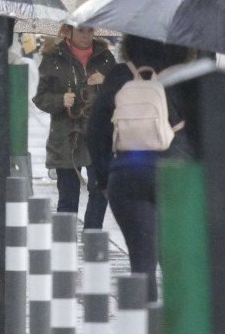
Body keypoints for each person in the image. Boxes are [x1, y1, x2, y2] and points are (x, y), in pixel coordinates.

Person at [86, 35, 194, 300]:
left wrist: (103, 178)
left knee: (142, 260)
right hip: (177, 175)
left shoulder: (121, 74)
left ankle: (147, 327)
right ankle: (179, 331)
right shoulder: (189, 78)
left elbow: (95, 129)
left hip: (128, 173)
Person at [33, 24, 116, 229]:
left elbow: (121, 95)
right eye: (81, 30)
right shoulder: (54, 57)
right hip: (66, 137)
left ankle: (91, 237)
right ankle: (65, 247)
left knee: (100, 191)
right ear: (67, 31)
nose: (86, 35)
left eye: (90, 30)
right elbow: (40, 98)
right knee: (68, 198)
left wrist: (106, 82)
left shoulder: (105, 57)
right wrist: (61, 100)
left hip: (98, 135)